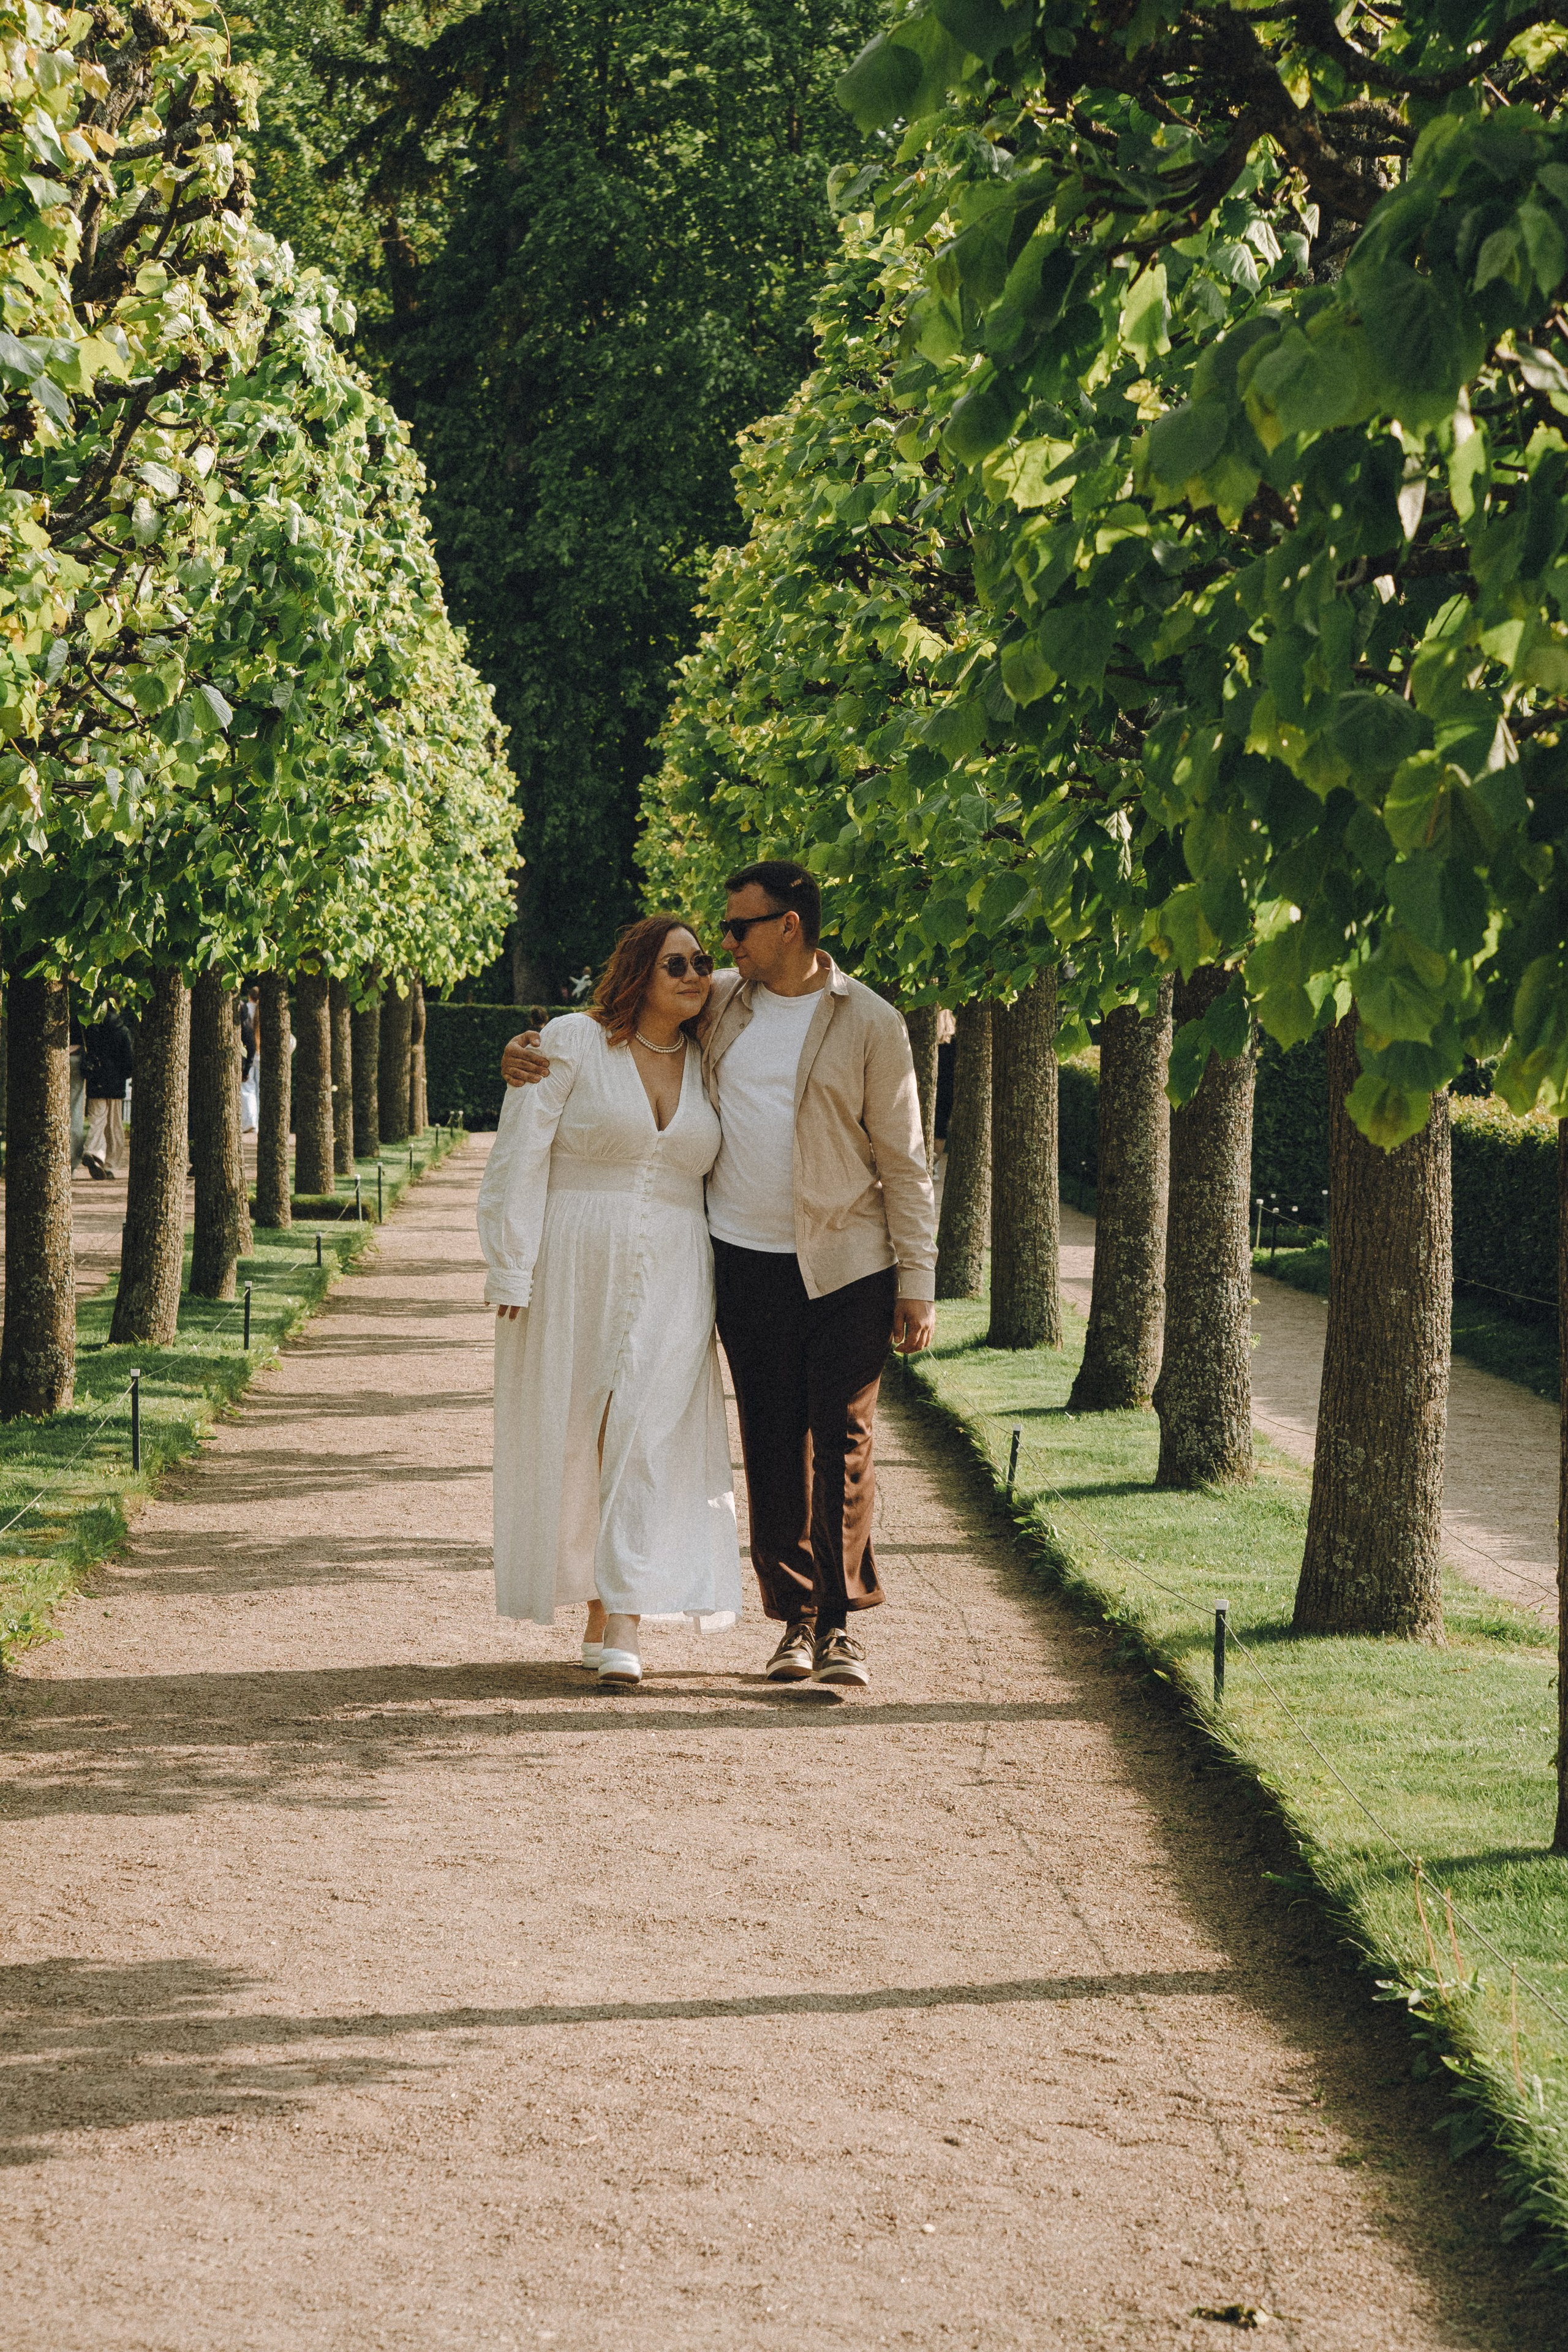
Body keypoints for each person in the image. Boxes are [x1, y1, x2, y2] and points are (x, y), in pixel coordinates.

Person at [502, 859, 937, 1693]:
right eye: (718, 936)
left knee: (843, 1435)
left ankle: (842, 1627)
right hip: (742, 1258)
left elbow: (907, 1164)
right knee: (773, 1440)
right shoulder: (723, 1003)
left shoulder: (873, 1023)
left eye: (737, 929)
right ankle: (795, 1624)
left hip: (850, 1260)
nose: (722, 945)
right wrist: (522, 1052)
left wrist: (916, 1278)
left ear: (790, 926)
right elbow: (623, 1028)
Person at [477, 914, 741, 1691]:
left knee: (648, 1430)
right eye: (676, 964)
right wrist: (511, 1267)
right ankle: (596, 1608)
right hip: (571, 1258)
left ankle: (624, 1613)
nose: (696, 975)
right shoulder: (570, 1042)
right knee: (577, 1434)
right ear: (637, 970)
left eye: (701, 963)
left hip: (677, 1266)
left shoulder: (710, 1056)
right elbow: (519, 1153)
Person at [82, 1007, 134, 1179]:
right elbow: (129, 1061)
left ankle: (94, 1152)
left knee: (97, 1122)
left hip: (96, 1082)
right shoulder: (123, 1031)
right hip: (116, 1084)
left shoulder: (92, 1028)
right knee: (114, 1127)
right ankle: (111, 1164)